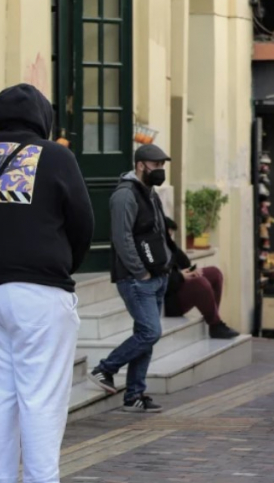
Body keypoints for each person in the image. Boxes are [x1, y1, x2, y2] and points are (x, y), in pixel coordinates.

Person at [0, 84, 94, 483]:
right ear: (42, 117)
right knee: (41, 397)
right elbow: (83, 224)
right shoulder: (58, 157)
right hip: (39, 292)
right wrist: (62, 263)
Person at [88, 143, 173, 412]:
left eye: (162, 166)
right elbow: (122, 237)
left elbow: (159, 230)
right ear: (140, 165)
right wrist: (141, 271)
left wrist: (170, 263)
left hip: (158, 275)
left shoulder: (150, 193)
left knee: (145, 336)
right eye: (156, 166)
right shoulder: (125, 195)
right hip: (137, 278)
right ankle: (104, 369)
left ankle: (135, 395)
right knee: (150, 332)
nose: (160, 171)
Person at [163, 218, 239, 339]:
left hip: (178, 285)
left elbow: (185, 262)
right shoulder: (151, 250)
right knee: (200, 283)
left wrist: (171, 246)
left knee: (215, 273)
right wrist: (181, 276)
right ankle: (215, 325)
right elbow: (160, 281)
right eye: (168, 234)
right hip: (168, 301)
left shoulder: (167, 246)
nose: (170, 238)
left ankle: (214, 316)